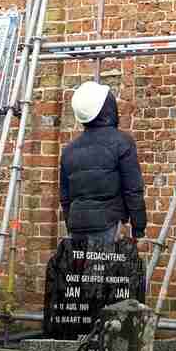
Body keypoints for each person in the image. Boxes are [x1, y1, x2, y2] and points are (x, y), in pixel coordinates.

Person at [58, 81, 148, 245]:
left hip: (77, 226)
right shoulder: (121, 142)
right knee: (103, 270)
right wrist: (138, 228)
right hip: (108, 225)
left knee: (79, 270)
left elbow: (65, 198)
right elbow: (133, 190)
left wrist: (71, 224)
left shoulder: (69, 150)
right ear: (108, 108)